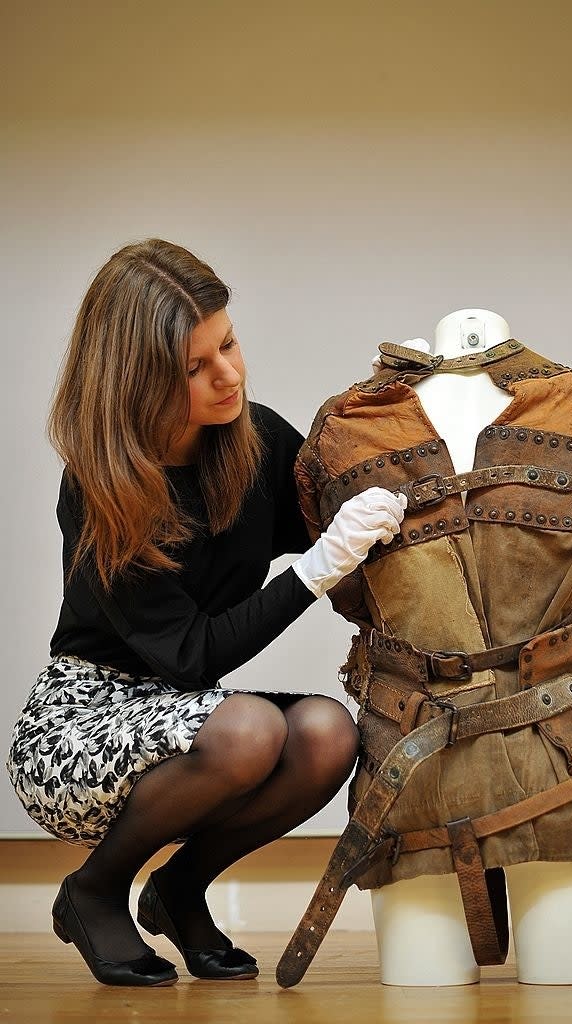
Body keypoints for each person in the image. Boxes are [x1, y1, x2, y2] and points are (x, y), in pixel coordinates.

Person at [5, 239, 407, 988]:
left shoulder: (251, 440)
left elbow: (340, 521)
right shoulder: (102, 488)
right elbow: (189, 659)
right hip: (79, 722)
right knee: (251, 725)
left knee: (326, 734)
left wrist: (398, 427)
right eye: (194, 367)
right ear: (135, 379)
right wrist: (316, 572)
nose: (227, 375)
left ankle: (178, 889)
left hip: (184, 715)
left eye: (228, 343)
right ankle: (93, 890)